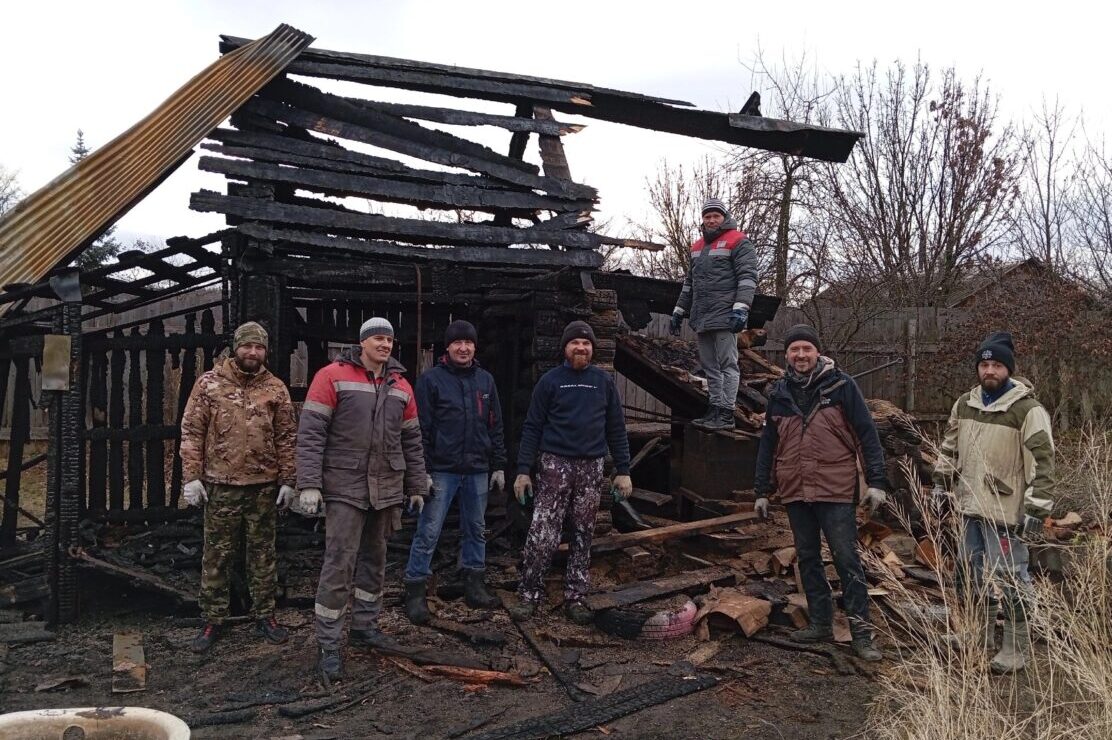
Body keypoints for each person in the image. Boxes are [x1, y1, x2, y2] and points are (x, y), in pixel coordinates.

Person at [296, 317, 427, 682]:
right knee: (339, 564)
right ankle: (328, 644)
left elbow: (412, 441)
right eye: (379, 339)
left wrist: (416, 486)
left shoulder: (401, 385)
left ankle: (365, 627)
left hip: (385, 488)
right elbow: (310, 434)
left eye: (390, 339)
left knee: (375, 561)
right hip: (344, 486)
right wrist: (308, 483)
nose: (386, 345)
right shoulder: (331, 376)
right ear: (363, 342)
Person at [753, 324, 888, 662]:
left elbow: (866, 434)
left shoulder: (842, 386)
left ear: (818, 353)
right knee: (808, 558)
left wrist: (876, 481)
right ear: (786, 355)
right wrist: (761, 491)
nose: (801, 355)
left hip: (835, 489)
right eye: (795, 349)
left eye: (807, 349)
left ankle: (861, 634)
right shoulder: (779, 394)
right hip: (795, 489)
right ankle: (820, 623)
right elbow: (768, 445)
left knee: (846, 560)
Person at [932, 331, 1054, 674]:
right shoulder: (965, 403)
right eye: (984, 364)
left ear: (1008, 369)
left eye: (996, 365)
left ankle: (1015, 648)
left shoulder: (1027, 410)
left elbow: (1043, 461)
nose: (989, 371)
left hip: (1004, 509)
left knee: (1010, 576)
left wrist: (1037, 507)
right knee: (968, 573)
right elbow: (949, 446)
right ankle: (977, 634)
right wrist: (941, 484)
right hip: (968, 504)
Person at [179, 321, 297, 653]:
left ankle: (265, 614)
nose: (253, 352)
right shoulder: (209, 384)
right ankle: (213, 619)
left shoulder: (275, 389)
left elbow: (288, 438)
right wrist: (191, 477)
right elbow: (191, 432)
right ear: (236, 348)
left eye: (259, 347)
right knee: (217, 554)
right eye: (247, 346)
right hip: (222, 485)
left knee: (262, 555)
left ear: (265, 351)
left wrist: (288, 481)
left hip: (263, 486)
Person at [509, 321, 632, 624]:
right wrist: (523, 471)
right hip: (554, 465)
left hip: (591, 467)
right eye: (575, 342)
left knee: (583, 533)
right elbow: (532, 427)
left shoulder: (603, 382)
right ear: (565, 348)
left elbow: (616, 428)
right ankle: (529, 593)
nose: (581, 347)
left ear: (593, 348)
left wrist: (623, 470)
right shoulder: (551, 382)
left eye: (586, 343)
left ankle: (576, 596)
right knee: (543, 532)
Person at [403, 320, 507, 624]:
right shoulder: (431, 380)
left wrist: (498, 464)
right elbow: (421, 428)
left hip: (477, 469)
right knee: (429, 531)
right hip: (442, 470)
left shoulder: (486, 381)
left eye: (469, 343)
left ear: (475, 347)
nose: (464, 348)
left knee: (476, 529)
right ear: (447, 348)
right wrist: (421, 471)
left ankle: (474, 586)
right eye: (457, 343)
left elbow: (495, 425)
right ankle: (415, 590)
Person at [670, 197, 759, 431]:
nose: (711, 220)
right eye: (707, 216)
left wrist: (741, 308)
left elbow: (748, 277)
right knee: (710, 367)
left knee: (728, 364)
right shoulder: (697, 247)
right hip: (702, 316)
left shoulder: (738, 241)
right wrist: (679, 310)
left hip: (726, 315)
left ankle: (726, 413)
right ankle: (714, 409)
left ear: (723, 217)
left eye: (715, 216)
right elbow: (689, 284)